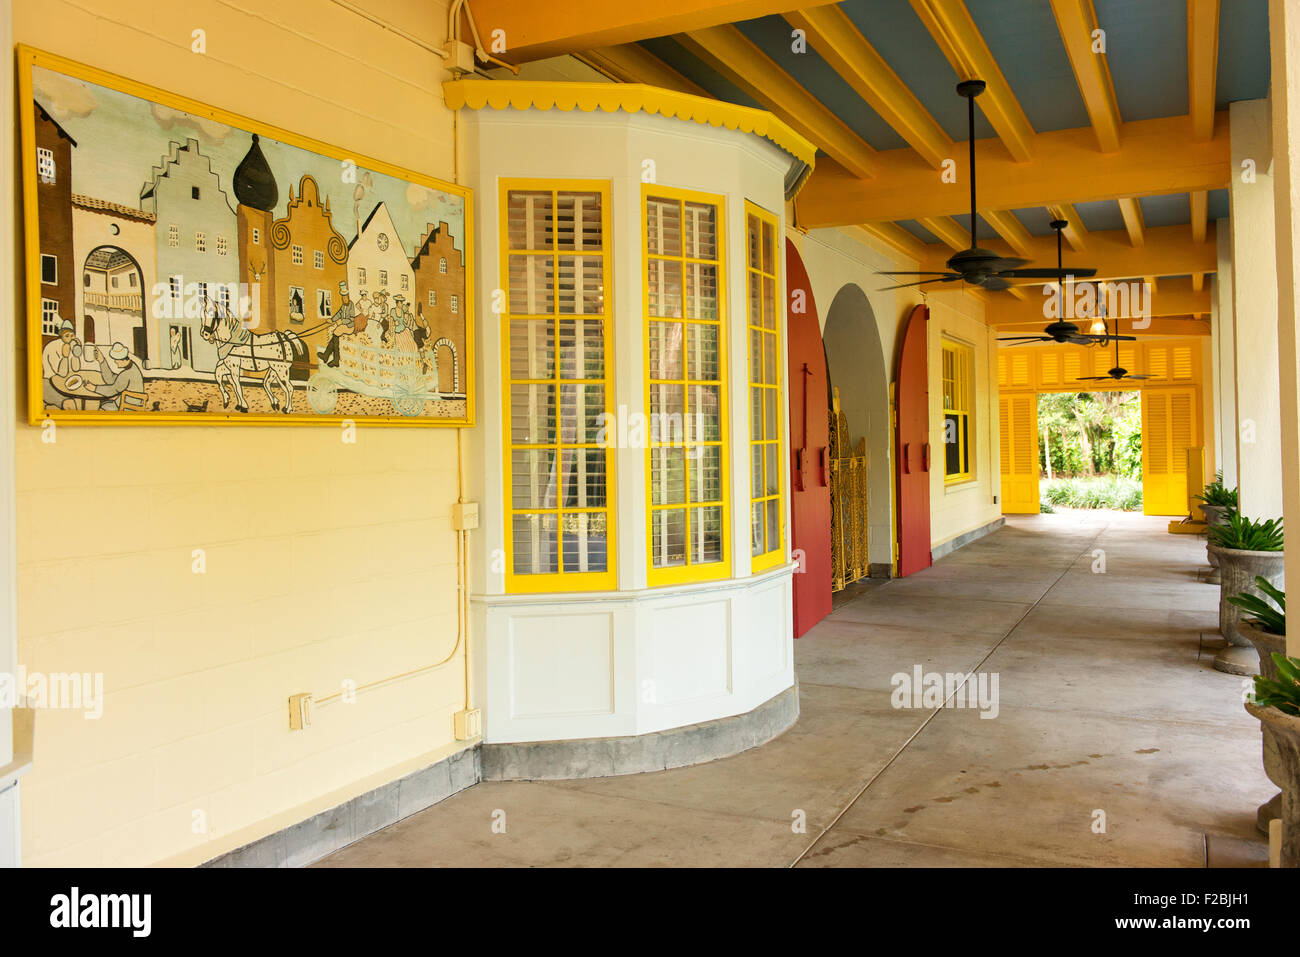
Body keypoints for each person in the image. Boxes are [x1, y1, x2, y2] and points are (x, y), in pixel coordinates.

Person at [41, 319, 83, 409]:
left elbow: (76, 369)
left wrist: (77, 353)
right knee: (70, 404)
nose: (70, 338)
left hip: (64, 384)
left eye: (72, 336)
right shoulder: (53, 347)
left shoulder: (71, 345)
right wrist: (65, 357)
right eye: (67, 336)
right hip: (49, 383)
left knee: (81, 401)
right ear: (61, 336)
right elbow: (61, 374)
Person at [93, 342, 145, 411]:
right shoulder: (132, 367)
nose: (115, 362)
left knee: (103, 407)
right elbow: (111, 379)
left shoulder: (127, 373)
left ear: (122, 359)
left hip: (127, 407)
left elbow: (113, 390)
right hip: (131, 403)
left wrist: (94, 388)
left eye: (116, 359)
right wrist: (102, 361)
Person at [320, 280, 357, 368]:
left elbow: (351, 319)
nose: (344, 299)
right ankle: (327, 356)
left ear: (348, 297)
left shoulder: (351, 305)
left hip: (350, 326)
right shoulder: (343, 306)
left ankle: (334, 358)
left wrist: (341, 321)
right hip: (344, 325)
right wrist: (332, 320)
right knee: (336, 334)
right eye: (343, 297)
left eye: (345, 297)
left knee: (336, 332)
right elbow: (339, 314)